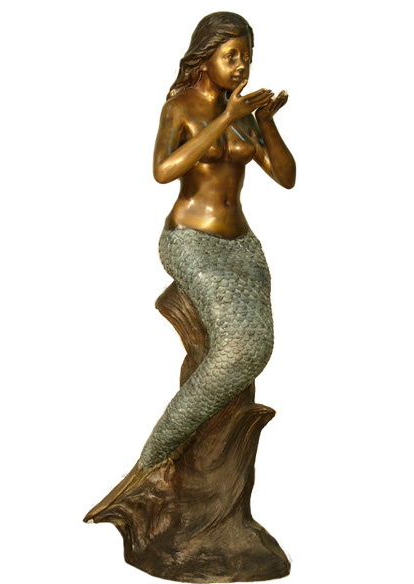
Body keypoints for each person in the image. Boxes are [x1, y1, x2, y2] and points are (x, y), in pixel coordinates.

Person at [138, 11, 296, 471]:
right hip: (191, 240)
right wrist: (225, 118)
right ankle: (159, 450)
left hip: (241, 244)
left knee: (254, 344)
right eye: (232, 56)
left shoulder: (243, 111)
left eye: (248, 56)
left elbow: (286, 177)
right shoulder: (181, 107)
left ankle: (214, 449)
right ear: (205, 57)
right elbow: (163, 171)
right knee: (243, 347)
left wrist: (264, 121)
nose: (242, 65)